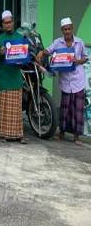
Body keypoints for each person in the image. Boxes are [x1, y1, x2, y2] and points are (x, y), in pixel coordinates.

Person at [37, 17, 88, 145]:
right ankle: (61, 133)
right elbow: (48, 50)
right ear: (62, 30)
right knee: (65, 109)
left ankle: (76, 136)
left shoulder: (79, 42)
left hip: (78, 80)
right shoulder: (57, 43)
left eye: (69, 29)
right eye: (65, 29)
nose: (67, 31)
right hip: (65, 81)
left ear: (72, 28)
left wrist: (78, 61)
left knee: (78, 109)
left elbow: (85, 58)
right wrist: (41, 53)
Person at [0, 10, 26, 144]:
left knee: (16, 109)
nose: (8, 25)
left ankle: (18, 134)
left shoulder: (20, 37)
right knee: (4, 108)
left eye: (10, 22)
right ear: (2, 24)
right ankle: (2, 134)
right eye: (6, 23)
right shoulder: (0, 39)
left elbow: (25, 57)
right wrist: (0, 53)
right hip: (4, 76)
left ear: (13, 22)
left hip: (15, 76)